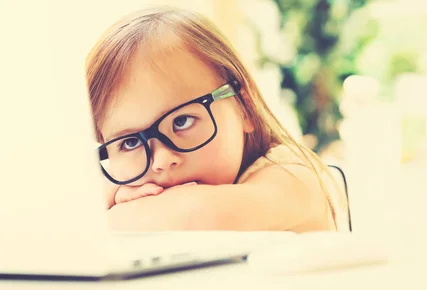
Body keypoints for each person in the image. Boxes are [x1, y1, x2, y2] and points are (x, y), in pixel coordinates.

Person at [85, 6, 348, 232]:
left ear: (245, 106)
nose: (163, 161)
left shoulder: (292, 175)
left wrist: (101, 214)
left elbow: (201, 215)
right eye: (130, 143)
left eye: (182, 121)